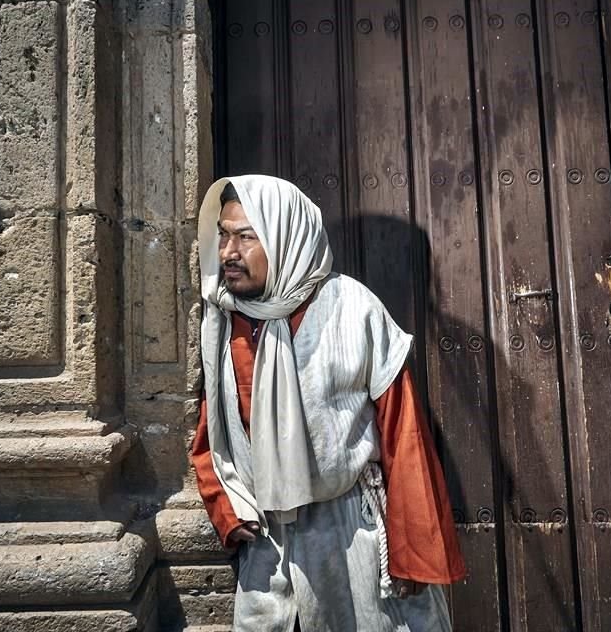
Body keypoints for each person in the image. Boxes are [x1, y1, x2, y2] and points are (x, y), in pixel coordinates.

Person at [191, 175, 466, 631]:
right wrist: (226, 508)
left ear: (285, 236)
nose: (227, 253)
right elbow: (213, 430)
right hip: (268, 542)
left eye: (246, 237)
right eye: (223, 235)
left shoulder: (352, 309)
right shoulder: (224, 318)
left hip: (352, 533)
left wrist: (413, 555)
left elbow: (404, 434)